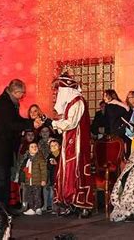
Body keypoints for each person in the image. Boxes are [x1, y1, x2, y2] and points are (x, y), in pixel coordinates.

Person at [0, 79, 40, 208]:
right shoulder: (2, 104)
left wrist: (30, 122)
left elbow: (16, 120)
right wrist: (30, 124)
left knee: (4, 181)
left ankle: (4, 208)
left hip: (3, 150)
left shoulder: (9, 103)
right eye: (22, 94)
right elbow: (10, 124)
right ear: (15, 92)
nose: (22, 96)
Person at [48, 73, 94, 217]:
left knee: (77, 170)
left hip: (78, 143)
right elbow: (66, 125)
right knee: (67, 171)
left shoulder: (78, 101)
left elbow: (71, 123)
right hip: (69, 141)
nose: (58, 93)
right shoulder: (70, 103)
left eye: (60, 90)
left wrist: (53, 123)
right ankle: (70, 202)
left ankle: (83, 205)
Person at [20, 142, 47, 216]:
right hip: (29, 181)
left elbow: (43, 170)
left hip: (37, 181)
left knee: (37, 194)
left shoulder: (40, 159)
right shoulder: (27, 160)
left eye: (35, 146)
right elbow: (24, 170)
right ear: (28, 150)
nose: (34, 148)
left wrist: (43, 179)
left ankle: (38, 208)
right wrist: (23, 179)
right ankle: (32, 208)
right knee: (30, 195)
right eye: (32, 147)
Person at [103, 89, 131, 158]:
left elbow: (108, 120)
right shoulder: (120, 105)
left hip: (115, 131)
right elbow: (128, 110)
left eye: (105, 96)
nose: (104, 98)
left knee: (117, 152)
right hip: (122, 130)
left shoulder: (110, 106)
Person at [46, 139, 61, 213]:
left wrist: (57, 163)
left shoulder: (62, 155)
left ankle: (60, 208)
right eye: (52, 146)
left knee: (59, 194)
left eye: (55, 145)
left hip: (60, 178)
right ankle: (53, 207)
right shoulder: (50, 156)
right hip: (53, 178)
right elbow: (48, 167)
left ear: (59, 146)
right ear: (50, 148)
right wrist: (51, 164)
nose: (54, 147)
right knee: (52, 194)